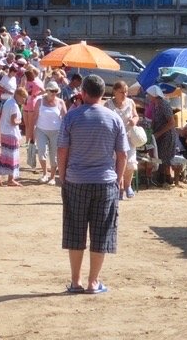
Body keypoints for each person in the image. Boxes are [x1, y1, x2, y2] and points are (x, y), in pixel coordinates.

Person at [57, 75, 127, 295]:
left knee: (75, 231)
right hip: (105, 182)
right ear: (102, 94)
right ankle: (93, 282)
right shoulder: (114, 118)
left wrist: (63, 175)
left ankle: (76, 281)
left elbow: (62, 150)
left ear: (84, 93)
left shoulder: (71, 118)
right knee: (101, 232)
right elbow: (122, 154)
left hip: (76, 180)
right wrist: (118, 178)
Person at [105, 80, 140, 198]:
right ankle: (118, 188)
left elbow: (136, 115)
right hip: (113, 138)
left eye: (126, 92)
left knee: (130, 163)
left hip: (128, 136)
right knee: (116, 164)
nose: (124, 95)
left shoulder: (130, 103)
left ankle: (128, 185)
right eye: (121, 92)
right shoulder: (108, 104)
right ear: (115, 92)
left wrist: (134, 120)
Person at [146, 85, 178, 186]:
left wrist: (158, 133)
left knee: (165, 159)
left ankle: (167, 180)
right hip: (159, 136)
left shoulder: (164, 105)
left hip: (167, 136)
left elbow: (171, 123)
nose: (148, 96)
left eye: (149, 94)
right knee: (159, 157)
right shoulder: (155, 105)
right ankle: (161, 179)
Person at [36, 81, 68, 185]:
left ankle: (52, 177)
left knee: (54, 155)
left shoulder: (60, 102)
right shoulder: (39, 101)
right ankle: (45, 174)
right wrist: (30, 132)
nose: (54, 93)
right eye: (52, 91)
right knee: (41, 152)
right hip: (41, 130)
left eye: (56, 91)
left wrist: (66, 133)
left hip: (56, 131)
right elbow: (34, 117)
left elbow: (65, 118)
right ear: (47, 91)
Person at [0, 87, 27, 187]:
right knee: (12, 157)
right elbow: (13, 121)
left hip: (3, 131)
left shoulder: (8, 101)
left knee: (2, 157)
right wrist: (20, 121)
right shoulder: (14, 105)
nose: (24, 100)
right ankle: (11, 179)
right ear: (18, 96)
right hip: (10, 133)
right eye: (23, 98)